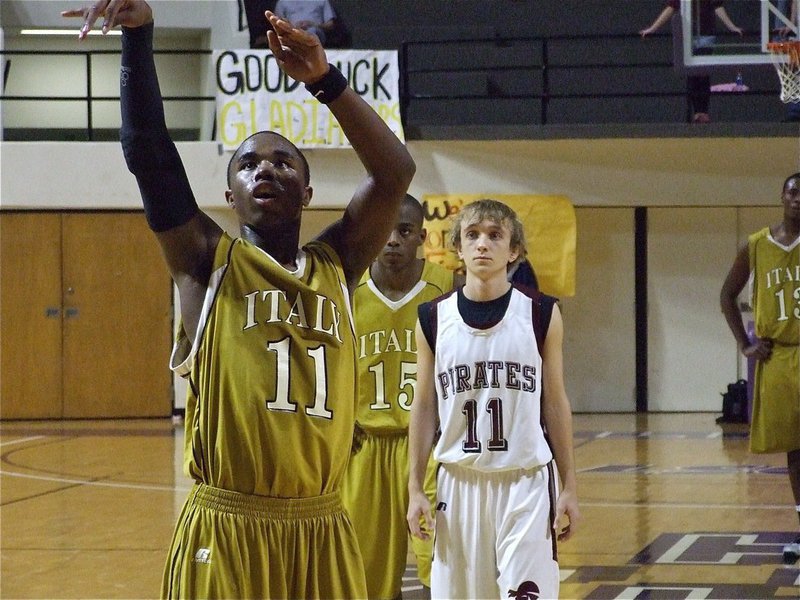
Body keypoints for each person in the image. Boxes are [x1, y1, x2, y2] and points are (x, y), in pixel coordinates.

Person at [63, 1, 415, 598]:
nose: (265, 169)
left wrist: (326, 83)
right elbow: (148, 152)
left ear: (306, 190)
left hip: (322, 524)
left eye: (282, 161)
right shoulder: (207, 260)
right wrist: (139, 35)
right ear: (231, 192)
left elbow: (394, 170)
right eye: (249, 163)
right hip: (227, 526)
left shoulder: (337, 264)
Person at [406, 199, 580, 599]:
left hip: (525, 482)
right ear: (459, 248)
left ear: (513, 250)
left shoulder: (540, 313)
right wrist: (416, 487)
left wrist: (570, 484)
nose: (483, 244)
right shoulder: (432, 318)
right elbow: (424, 405)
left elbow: (556, 402)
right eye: (472, 235)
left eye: (494, 235)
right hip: (458, 484)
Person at [341, 193, 462, 599]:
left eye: (404, 231)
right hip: (364, 446)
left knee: (441, 566)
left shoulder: (447, 288)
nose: (392, 240)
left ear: (422, 238)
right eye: (384, 231)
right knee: (366, 575)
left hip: (429, 448)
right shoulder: (347, 289)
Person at [720, 173, 800, 563]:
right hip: (780, 356)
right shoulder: (756, 244)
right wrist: (746, 343)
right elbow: (727, 295)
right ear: (782, 196)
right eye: (793, 191)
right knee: (796, 449)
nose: (798, 198)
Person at [640, 0, 743, 123]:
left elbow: (717, 7)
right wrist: (652, 28)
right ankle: (697, 112)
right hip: (689, 36)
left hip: (705, 36)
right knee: (692, 74)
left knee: (703, 73)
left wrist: (731, 26)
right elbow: (671, 8)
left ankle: (702, 112)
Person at [273, 0, 339, 48]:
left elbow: (330, 24)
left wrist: (312, 24)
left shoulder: (322, 1)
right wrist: (293, 27)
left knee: (311, 31)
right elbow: (277, 23)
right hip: (291, 34)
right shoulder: (283, 2)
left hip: (315, 35)